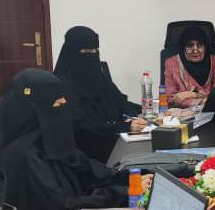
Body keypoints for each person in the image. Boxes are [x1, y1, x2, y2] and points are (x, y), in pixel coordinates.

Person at [0, 68, 152, 210]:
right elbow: (62, 208)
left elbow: (91, 171)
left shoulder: (51, 139)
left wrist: (137, 178)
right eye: (56, 103)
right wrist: (125, 192)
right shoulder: (26, 154)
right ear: (34, 110)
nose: (64, 105)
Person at [54, 26, 146, 163]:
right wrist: (125, 127)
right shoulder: (62, 85)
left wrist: (144, 111)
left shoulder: (98, 76)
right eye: (86, 51)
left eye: (95, 51)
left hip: (112, 138)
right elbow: (82, 127)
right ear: (72, 52)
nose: (92, 55)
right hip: (86, 152)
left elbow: (120, 102)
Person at [164, 26, 215, 108]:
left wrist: (191, 94)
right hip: (181, 113)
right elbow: (171, 99)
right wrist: (202, 99)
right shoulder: (171, 63)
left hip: (210, 111)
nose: (195, 50)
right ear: (183, 48)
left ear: (205, 47)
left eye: (199, 45)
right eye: (190, 45)